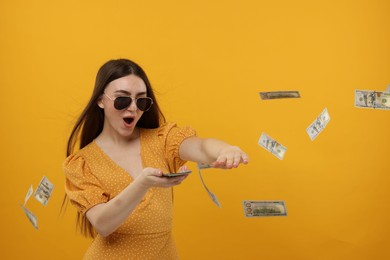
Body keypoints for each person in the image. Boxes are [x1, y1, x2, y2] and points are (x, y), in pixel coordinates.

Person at [63, 58, 249, 259]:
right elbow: (103, 224)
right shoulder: (83, 163)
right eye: (122, 99)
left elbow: (201, 146)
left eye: (141, 100)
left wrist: (226, 150)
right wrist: (142, 183)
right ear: (100, 100)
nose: (133, 108)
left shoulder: (161, 140)